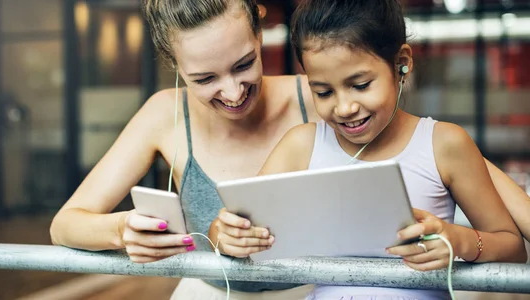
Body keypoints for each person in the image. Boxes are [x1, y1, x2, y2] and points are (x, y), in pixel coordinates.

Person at [50, 0, 528, 298]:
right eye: (204, 78)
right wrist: (123, 231)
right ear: (173, 65)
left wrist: (472, 241)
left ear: (261, 33)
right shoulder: (162, 114)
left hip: (307, 291)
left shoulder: (325, 93)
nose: (233, 92)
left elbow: (472, 181)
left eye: (243, 64)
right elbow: (65, 224)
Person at [213, 0, 527, 299]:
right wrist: (224, 236)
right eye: (323, 92)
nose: (344, 107)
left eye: (361, 85)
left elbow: (514, 249)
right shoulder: (301, 146)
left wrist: (459, 240)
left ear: (401, 63)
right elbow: (227, 226)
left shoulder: (444, 144)